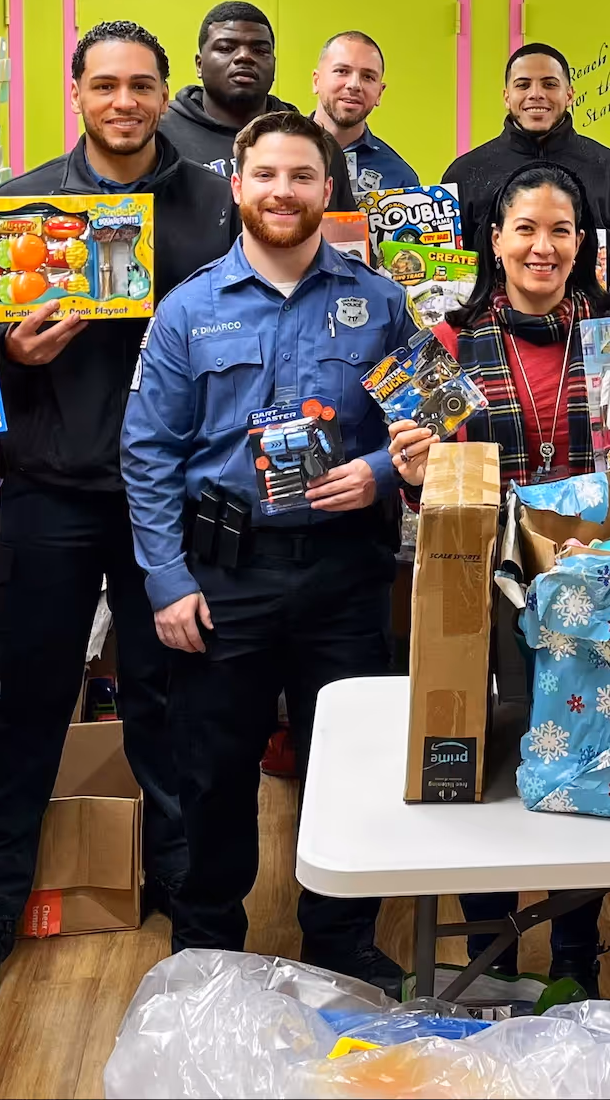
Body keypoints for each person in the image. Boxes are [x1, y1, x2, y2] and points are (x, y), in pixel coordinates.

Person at [0, 21, 238, 1019]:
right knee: (27, 707)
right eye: (104, 83)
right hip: (51, 493)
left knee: (171, 707)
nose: (123, 100)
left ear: (164, 94)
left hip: (172, 500)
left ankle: (194, 908)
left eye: (141, 84)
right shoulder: (18, 207)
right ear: (75, 92)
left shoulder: (213, 200)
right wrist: (10, 356)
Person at [123, 110, 418, 987]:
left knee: (349, 762)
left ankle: (341, 940)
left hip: (342, 572)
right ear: (237, 186)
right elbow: (146, 453)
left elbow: (430, 421)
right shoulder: (188, 312)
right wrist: (167, 581)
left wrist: (378, 472)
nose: (283, 192)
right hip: (225, 575)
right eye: (267, 177)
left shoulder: (380, 302)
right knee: (213, 771)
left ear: (329, 190)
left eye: (302, 177)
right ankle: (209, 943)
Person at [385, 163, 610, 993]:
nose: (543, 247)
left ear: (584, 246)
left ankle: (576, 958)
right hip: (476, 591)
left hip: (592, 588)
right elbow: (425, 485)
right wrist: (413, 465)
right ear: (496, 240)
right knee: (485, 770)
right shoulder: (449, 345)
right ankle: (490, 955)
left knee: (583, 767)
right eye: (526, 230)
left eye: (561, 231)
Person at [440, 44, 610, 318]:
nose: (536, 94)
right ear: (506, 96)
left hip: (594, 341)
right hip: (489, 340)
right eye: (523, 85)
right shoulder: (463, 175)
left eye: (549, 84)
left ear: (569, 94)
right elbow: (445, 271)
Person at [157, 0, 355, 210]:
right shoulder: (159, 137)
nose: (244, 57)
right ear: (199, 64)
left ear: (274, 65)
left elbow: (343, 236)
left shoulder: (316, 142)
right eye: (226, 48)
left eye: (260, 50)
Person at [311, 29, 422, 199]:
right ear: (316, 81)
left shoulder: (400, 179)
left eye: (368, 77)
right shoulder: (274, 153)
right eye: (342, 71)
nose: (354, 85)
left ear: (379, 93)